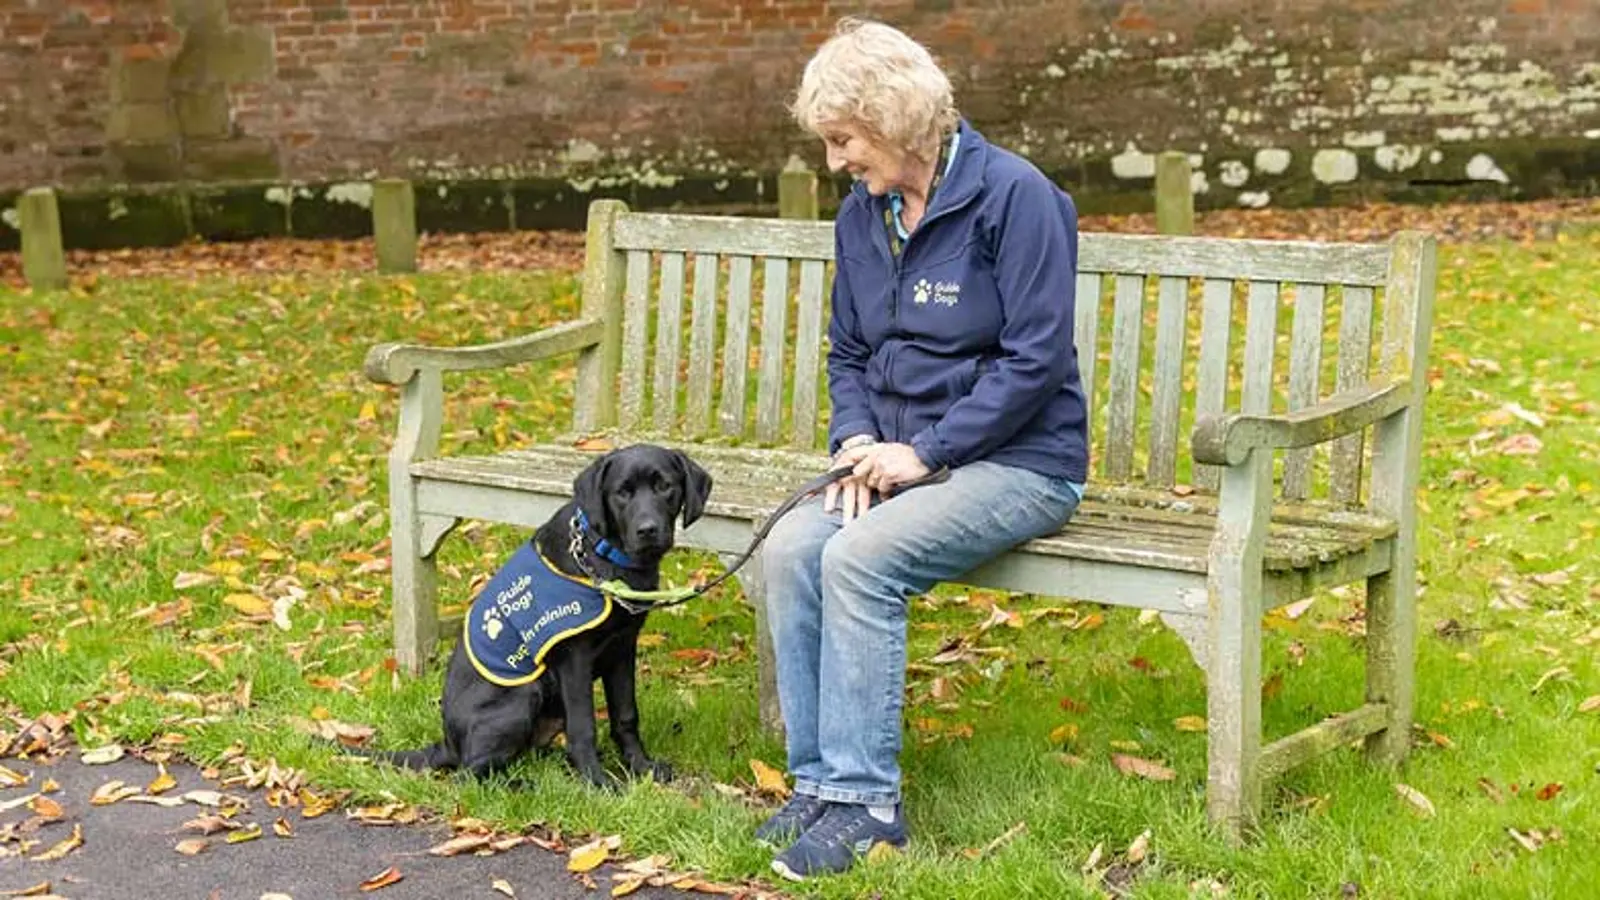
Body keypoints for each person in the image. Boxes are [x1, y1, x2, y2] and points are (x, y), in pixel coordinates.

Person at [755, 16, 1091, 882]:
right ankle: (818, 785)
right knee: (795, 546)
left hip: (1022, 464)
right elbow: (851, 351)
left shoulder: (1018, 199)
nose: (836, 163)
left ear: (896, 120)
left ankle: (867, 806)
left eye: (844, 140)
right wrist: (857, 439)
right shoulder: (861, 217)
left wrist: (928, 453)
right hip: (903, 458)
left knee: (862, 558)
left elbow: (1036, 359)